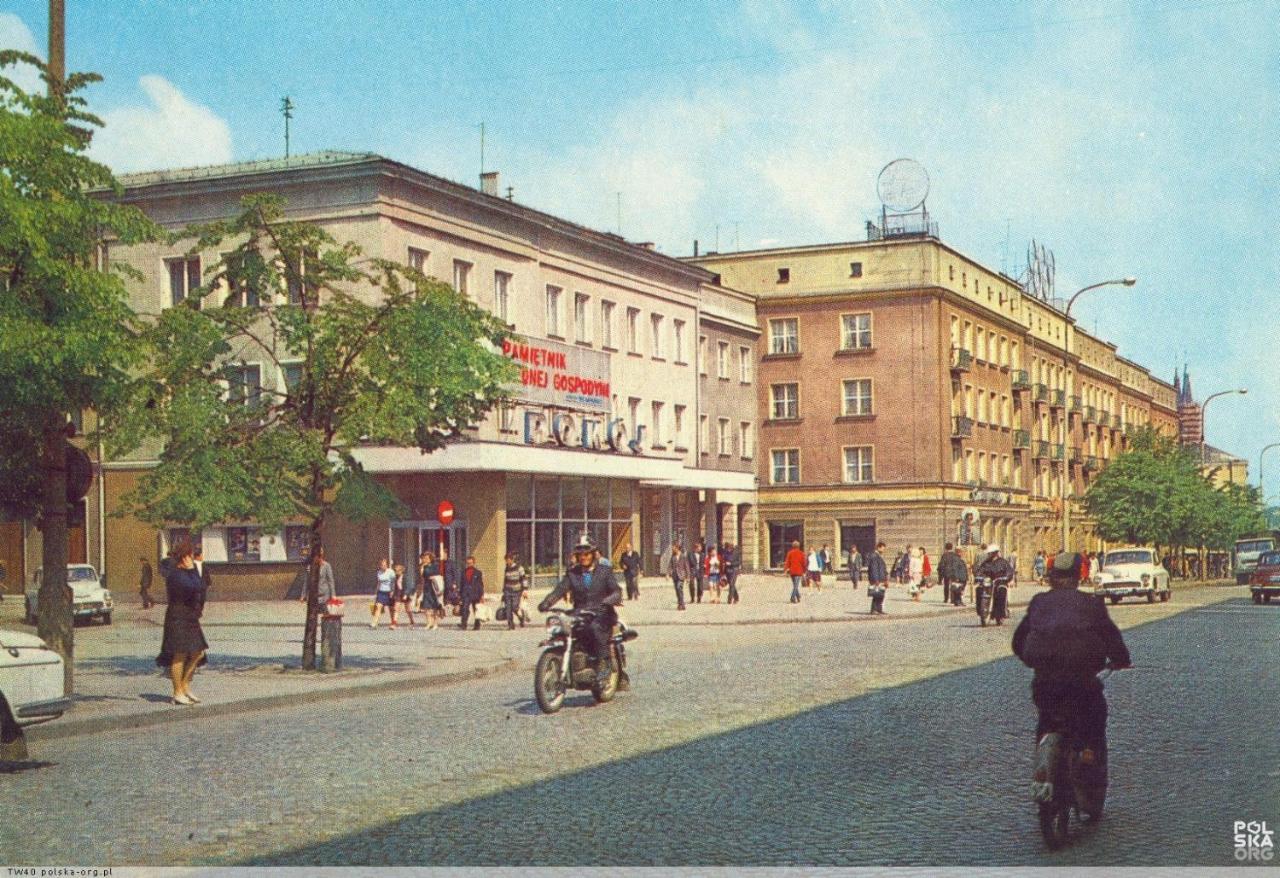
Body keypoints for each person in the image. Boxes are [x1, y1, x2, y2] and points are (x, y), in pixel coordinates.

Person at [1012, 551, 1131, 811]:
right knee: (1093, 727)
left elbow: (1018, 641)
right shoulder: (1091, 604)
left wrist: (1034, 662)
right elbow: (1111, 638)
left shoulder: (1039, 603)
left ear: (1052, 578)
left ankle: (1043, 762)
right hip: (1082, 684)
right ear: (1078, 577)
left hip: (1045, 684)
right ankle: (1090, 772)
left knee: (1046, 721)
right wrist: (1121, 659)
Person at [538, 535, 623, 684]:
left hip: (602, 613)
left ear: (593, 554)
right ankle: (573, 661)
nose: (583, 557)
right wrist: (546, 603)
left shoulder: (605, 571)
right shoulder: (573, 574)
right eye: (580, 554)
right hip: (580, 613)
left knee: (595, 628)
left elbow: (617, 591)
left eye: (586, 553)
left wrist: (608, 601)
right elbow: (560, 590)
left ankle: (604, 664)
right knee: (562, 629)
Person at [155, 539, 208, 706]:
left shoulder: (185, 573)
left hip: (189, 617)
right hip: (178, 617)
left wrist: (192, 571)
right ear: (185, 557)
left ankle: (184, 685)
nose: (193, 559)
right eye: (191, 556)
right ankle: (177, 692)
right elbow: (195, 588)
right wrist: (193, 570)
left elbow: (200, 586)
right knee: (179, 654)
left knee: (198, 653)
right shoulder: (176, 575)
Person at [502, 552, 527, 630]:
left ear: (512, 559)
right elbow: (505, 580)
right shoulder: (507, 568)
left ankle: (521, 617)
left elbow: (524, 578)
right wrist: (503, 590)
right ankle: (510, 625)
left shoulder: (519, 568)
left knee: (514, 607)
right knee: (508, 608)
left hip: (517, 590)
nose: (507, 562)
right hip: (507, 590)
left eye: (508, 560)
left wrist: (525, 589)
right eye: (506, 560)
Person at [459, 555, 485, 630]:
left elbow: (480, 584)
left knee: (476, 609)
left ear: (473, 563)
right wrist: (460, 595)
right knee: (465, 609)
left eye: (470, 563)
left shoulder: (478, 572)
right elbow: (461, 583)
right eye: (468, 563)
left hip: (475, 593)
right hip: (466, 593)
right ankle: (464, 624)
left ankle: (477, 625)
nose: (469, 565)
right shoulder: (463, 572)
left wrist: (482, 595)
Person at [418, 551, 443, 630]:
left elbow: (437, 574)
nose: (425, 559)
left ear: (430, 559)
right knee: (426, 606)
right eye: (424, 558)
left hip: (434, 587)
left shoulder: (435, 565)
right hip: (427, 587)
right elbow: (422, 575)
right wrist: (422, 566)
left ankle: (435, 624)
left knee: (434, 606)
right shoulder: (424, 566)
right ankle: (429, 623)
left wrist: (433, 577)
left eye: (427, 558)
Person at [939, 542, 968, 606]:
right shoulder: (954, 556)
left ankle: (947, 599)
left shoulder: (945, 555)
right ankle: (954, 599)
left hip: (948, 572)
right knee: (955, 586)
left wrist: (941, 573)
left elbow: (942, 564)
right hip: (954, 573)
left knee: (949, 586)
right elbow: (955, 566)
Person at [390, 563, 418, 629]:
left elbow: (409, 586)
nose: (396, 572)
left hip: (405, 593)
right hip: (398, 593)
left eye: (397, 571)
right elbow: (394, 586)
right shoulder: (395, 577)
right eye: (395, 571)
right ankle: (394, 623)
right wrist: (392, 592)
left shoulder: (406, 577)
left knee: (408, 609)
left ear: (401, 571)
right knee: (396, 608)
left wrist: (406, 594)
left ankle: (412, 621)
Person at [370, 558, 395, 628]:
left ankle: (393, 622)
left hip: (389, 592)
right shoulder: (379, 572)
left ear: (387, 565)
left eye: (385, 565)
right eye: (382, 565)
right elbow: (379, 583)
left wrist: (392, 591)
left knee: (391, 609)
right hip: (381, 592)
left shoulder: (391, 572)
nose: (383, 566)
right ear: (380, 565)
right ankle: (374, 623)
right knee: (378, 607)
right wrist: (376, 592)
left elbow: (393, 583)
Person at [867, 542, 888, 614]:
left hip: (881, 578)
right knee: (876, 594)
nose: (883, 550)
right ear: (878, 547)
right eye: (882, 548)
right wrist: (876, 580)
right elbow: (874, 569)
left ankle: (879, 609)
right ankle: (874, 610)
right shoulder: (874, 556)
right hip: (877, 579)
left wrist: (885, 579)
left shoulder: (879, 556)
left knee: (881, 594)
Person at [668, 543, 691, 610]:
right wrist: (668, 574)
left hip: (681, 575)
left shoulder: (683, 556)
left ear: (677, 548)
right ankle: (681, 604)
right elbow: (670, 565)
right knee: (677, 590)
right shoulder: (673, 556)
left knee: (679, 588)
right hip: (675, 575)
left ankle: (681, 604)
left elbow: (687, 567)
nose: (672, 549)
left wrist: (688, 577)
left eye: (673, 547)